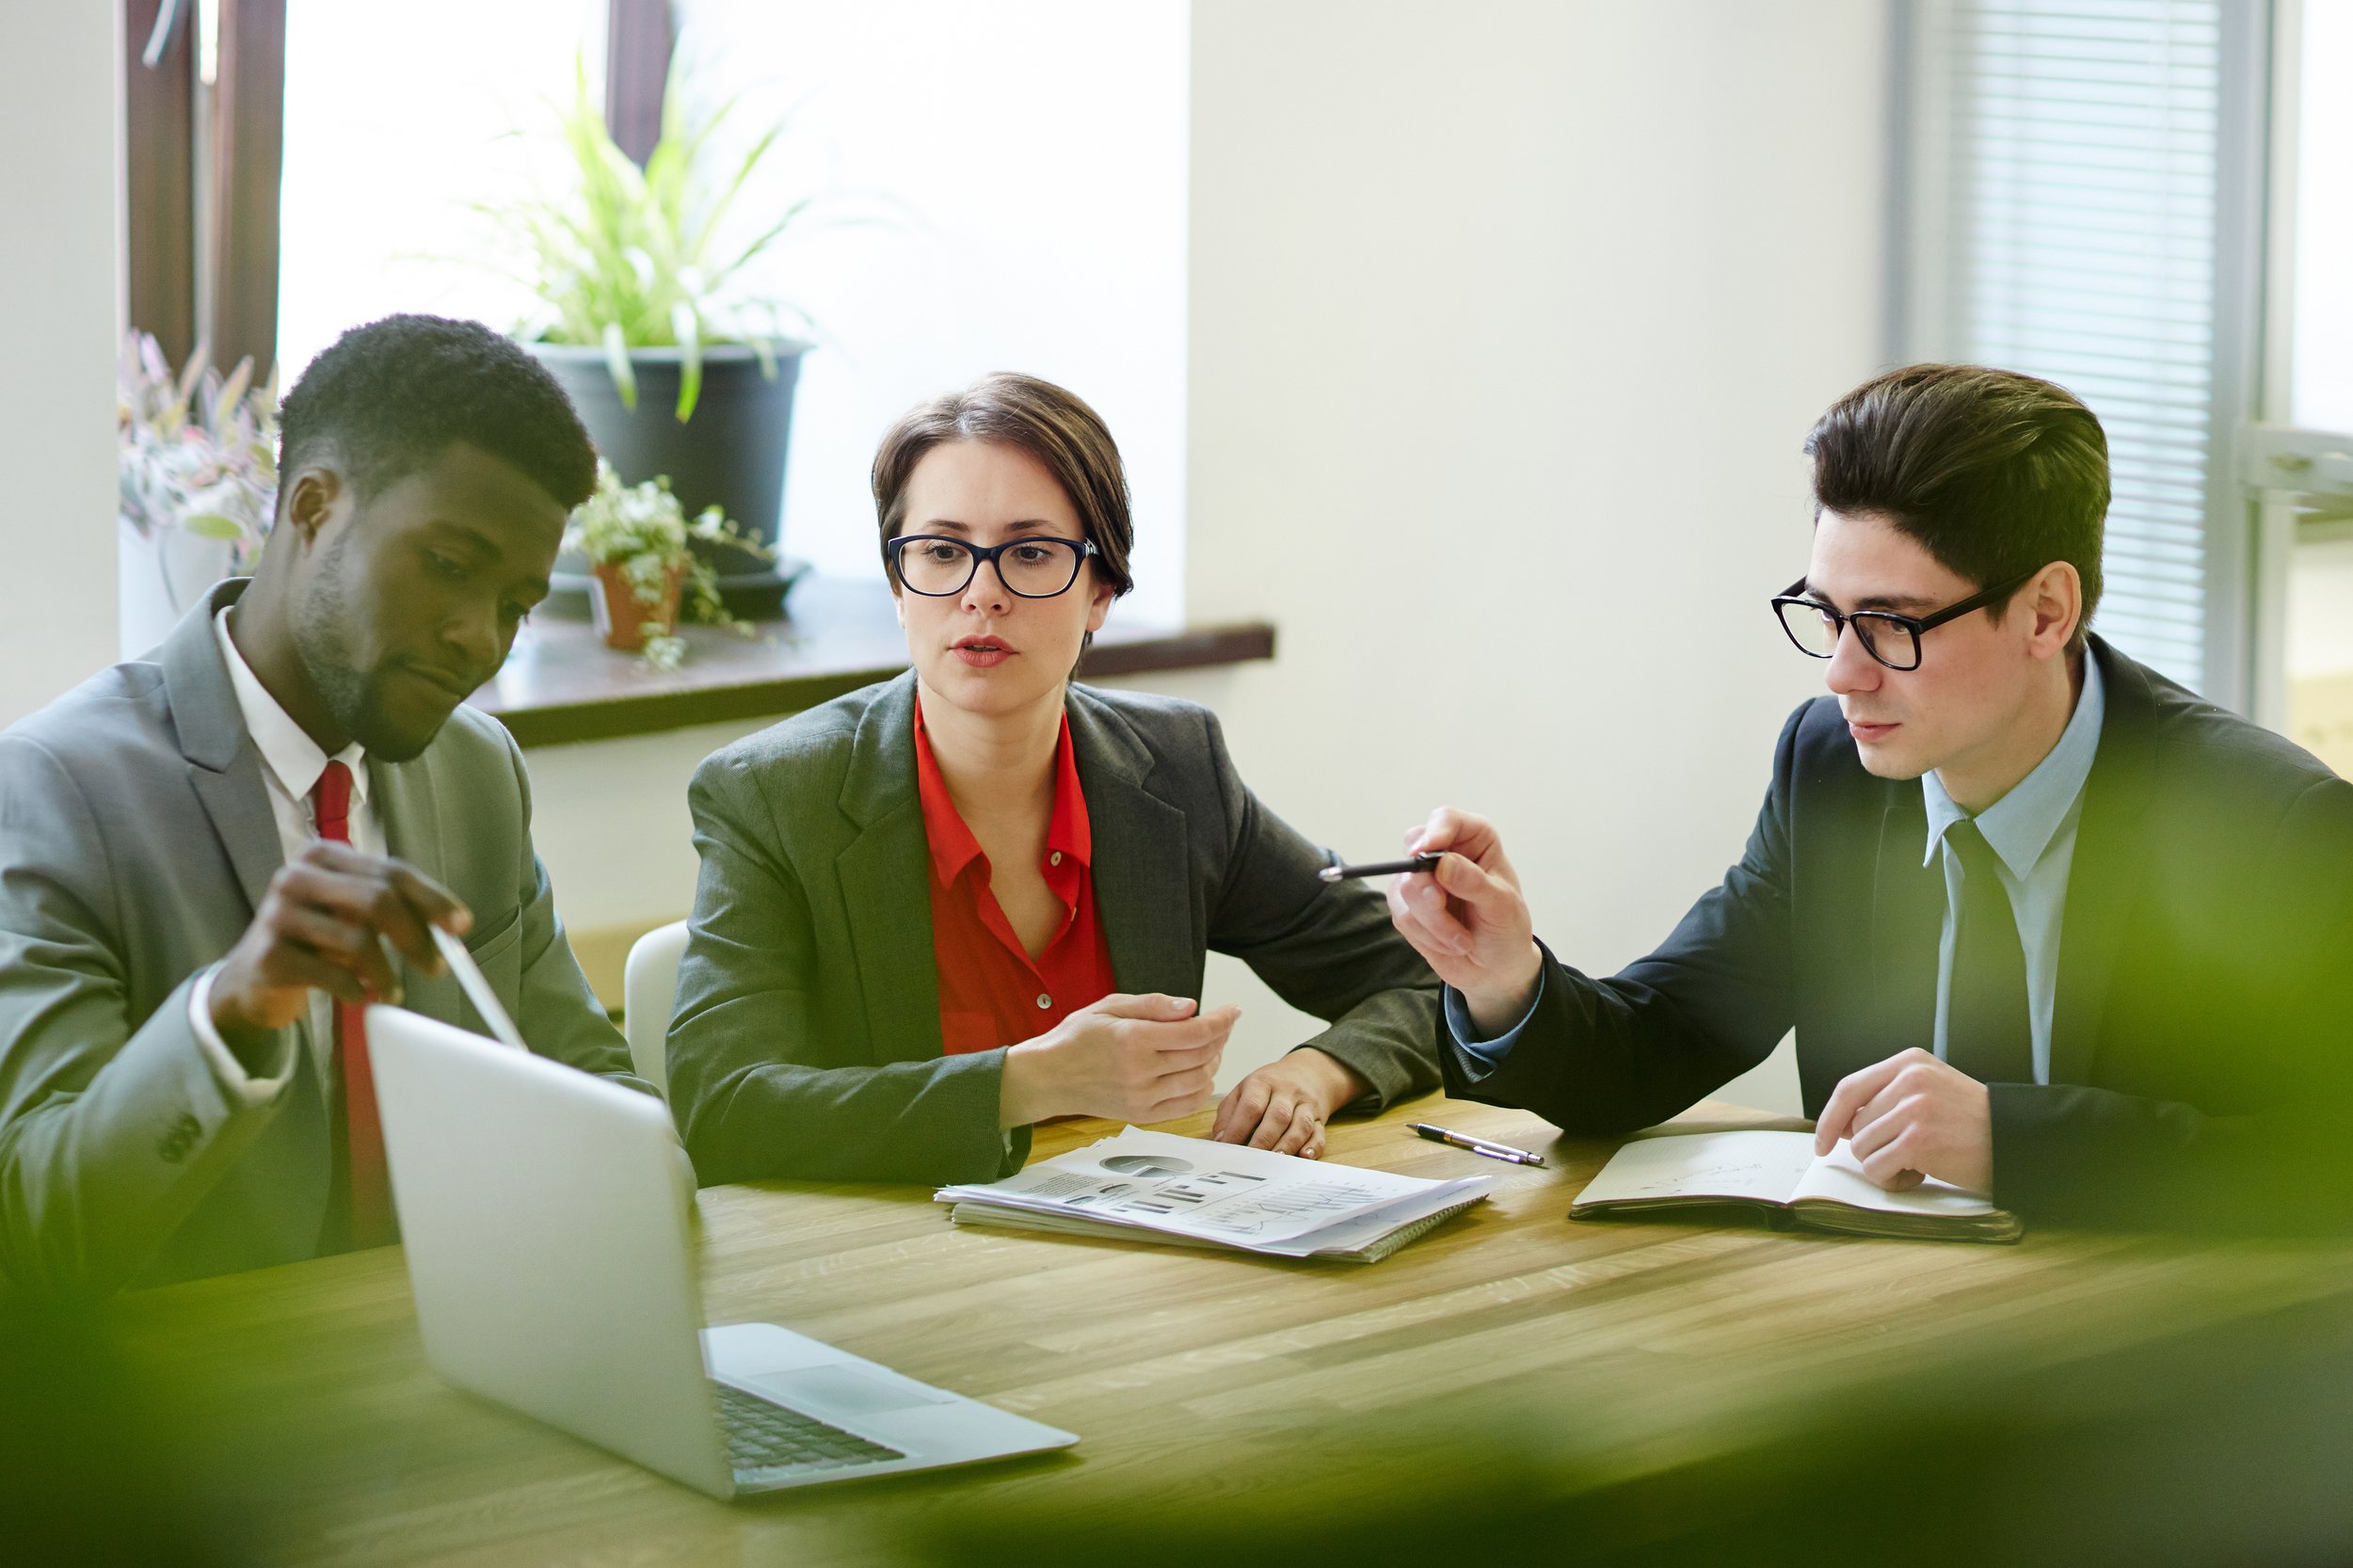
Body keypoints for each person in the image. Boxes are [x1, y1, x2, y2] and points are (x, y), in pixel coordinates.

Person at [1386, 364, 2353, 1229]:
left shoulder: (2266, 825)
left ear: (2044, 612)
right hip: (1871, 1356)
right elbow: (1658, 1045)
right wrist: (1503, 977)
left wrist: (2013, 1139)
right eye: (1826, 615)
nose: (1843, 675)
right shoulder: (1831, 770)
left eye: (1890, 624)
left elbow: (2324, 1159)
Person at [0, 314, 643, 1296]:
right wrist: (227, 1016)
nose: (481, 638)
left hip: (457, 1365)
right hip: (191, 1415)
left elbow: (596, 1087)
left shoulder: (478, 772)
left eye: (515, 603)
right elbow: (44, 1230)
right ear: (311, 506)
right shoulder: (56, 788)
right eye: (449, 566)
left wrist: (645, 1179)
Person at [666, 373, 1440, 1185]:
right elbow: (724, 1109)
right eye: (941, 551)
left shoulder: (1178, 770)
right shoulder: (775, 794)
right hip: (890, 1267)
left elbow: (1422, 977)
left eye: (1031, 554)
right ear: (898, 584)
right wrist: (1030, 1081)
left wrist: (1316, 1073)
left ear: (1101, 589)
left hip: (1140, 1263)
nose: (982, 595)